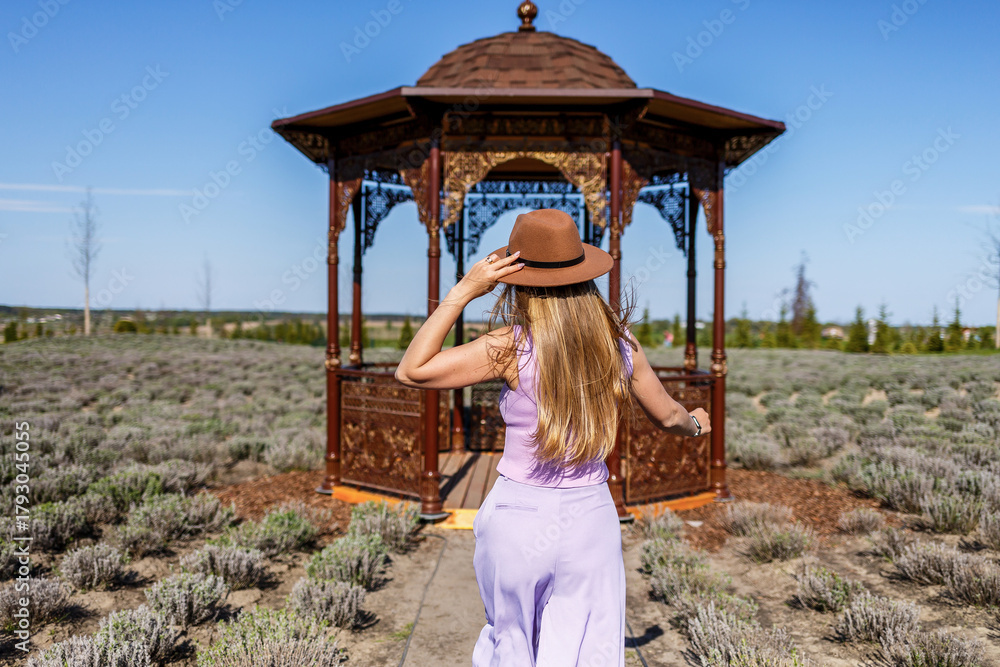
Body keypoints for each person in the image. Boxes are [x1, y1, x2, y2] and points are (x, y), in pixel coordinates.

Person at [395, 208, 711, 666]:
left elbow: (412, 370)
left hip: (518, 518)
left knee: (513, 644)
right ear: (584, 276)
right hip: (590, 520)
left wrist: (463, 292)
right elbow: (669, 418)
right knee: (590, 649)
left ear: (516, 279)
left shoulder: (510, 346)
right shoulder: (621, 345)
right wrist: (697, 423)